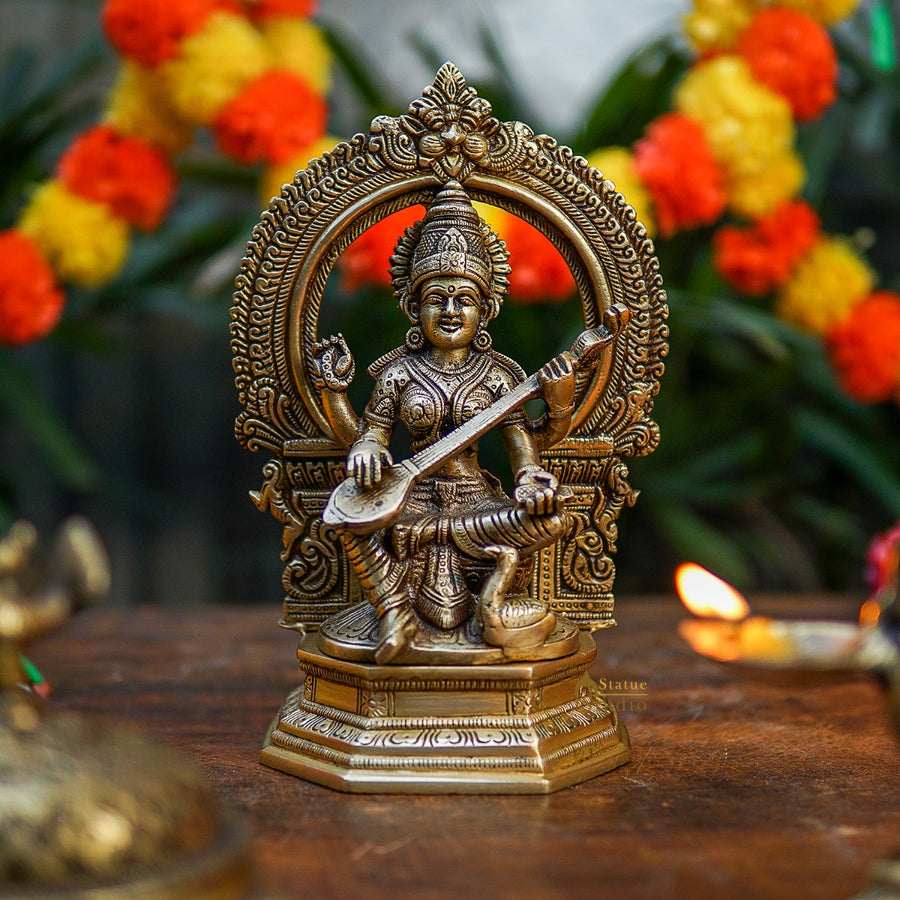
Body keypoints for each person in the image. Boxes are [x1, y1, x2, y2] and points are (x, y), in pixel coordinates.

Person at [335, 181, 578, 663]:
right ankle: (393, 611)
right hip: (413, 501)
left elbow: (524, 454)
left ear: (485, 311)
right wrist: (367, 451)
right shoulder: (398, 374)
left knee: (553, 519)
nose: (449, 311)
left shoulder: (500, 376)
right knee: (345, 522)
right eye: (436, 299)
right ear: (413, 307)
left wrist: (535, 473)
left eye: (463, 299)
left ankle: (484, 593)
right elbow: (372, 434)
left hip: (476, 505)